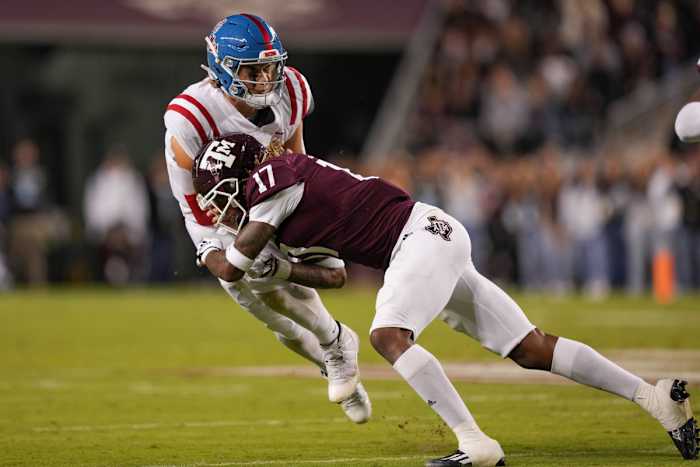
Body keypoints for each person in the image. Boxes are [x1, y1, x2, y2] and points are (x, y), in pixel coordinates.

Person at [193, 133, 698, 466]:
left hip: (418, 238)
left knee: (387, 335)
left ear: (242, 178)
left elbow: (233, 267)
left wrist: (213, 255)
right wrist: (284, 268)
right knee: (529, 347)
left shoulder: (272, 181)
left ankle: (475, 443)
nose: (222, 212)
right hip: (429, 236)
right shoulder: (280, 200)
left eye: (221, 199)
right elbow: (335, 276)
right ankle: (656, 400)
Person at [162, 13, 371, 422]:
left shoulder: (291, 88)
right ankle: (333, 348)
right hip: (222, 215)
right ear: (221, 68)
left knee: (284, 275)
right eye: (252, 70)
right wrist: (210, 252)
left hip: (280, 193)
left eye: (269, 67)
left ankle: (335, 343)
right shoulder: (190, 118)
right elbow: (191, 205)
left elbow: (296, 153)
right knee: (275, 316)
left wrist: (305, 200)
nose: (265, 79)